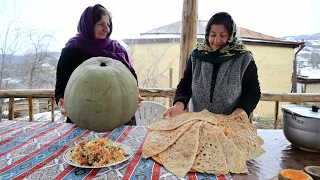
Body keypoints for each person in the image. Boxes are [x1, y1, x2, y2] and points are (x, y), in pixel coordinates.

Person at [55, 4, 143, 125]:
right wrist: (61, 102)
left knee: (121, 145)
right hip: (84, 119)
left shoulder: (116, 49)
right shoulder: (72, 51)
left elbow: (131, 77)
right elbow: (61, 86)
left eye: (108, 24)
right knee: (87, 145)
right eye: (101, 24)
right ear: (88, 26)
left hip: (121, 119)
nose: (106, 29)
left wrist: (134, 95)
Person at [163, 12, 261, 118]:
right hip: (199, 121)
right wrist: (179, 104)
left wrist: (241, 110)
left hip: (230, 123)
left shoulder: (244, 58)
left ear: (231, 36)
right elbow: (186, 84)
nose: (217, 40)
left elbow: (252, 92)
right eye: (213, 35)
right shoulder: (197, 56)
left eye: (223, 35)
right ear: (207, 34)